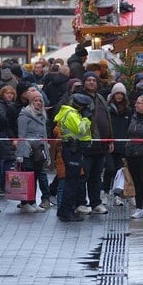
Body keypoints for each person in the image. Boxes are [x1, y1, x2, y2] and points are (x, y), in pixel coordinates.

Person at [74, 72, 115, 214]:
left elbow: (107, 119)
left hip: (100, 145)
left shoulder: (100, 98)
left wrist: (110, 138)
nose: (92, 82)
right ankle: (80, 203)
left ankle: (95, 202)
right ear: (84, 82)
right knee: (82, 176)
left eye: (94, 80)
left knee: (96, 177)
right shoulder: (78, 98)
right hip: (85, 145)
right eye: (89, 80)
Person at [53, 92, 93, 222]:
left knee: (72, 182)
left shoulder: (71, 113)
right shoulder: (71, 114)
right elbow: (81, 129)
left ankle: (66, 210)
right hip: (72, 150)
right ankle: (66, 212)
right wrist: (87, 119)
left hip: (74, 149)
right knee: (71, 183)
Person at [15, 92, 52, 213]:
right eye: (35, 100)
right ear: (31, 102)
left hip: (38, 152)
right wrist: (20, 154)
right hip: (27, 151)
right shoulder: (24, 116)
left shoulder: (42, 116)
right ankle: (25, 202)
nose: (38, 103)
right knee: (27, 177)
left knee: (35, 176)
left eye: (40, 101)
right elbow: (21, 135)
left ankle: (32, 201)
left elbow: (44, 136)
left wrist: (47, 152)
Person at [107, 82, 131, 205]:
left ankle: (117, 195)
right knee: (109, 169)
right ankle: (104, 191)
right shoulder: (108, 109)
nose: (119, 96)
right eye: (117, 93)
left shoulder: (128, 110)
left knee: (119, 170)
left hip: (122, 145)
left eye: (121, 93)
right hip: (109, 144)